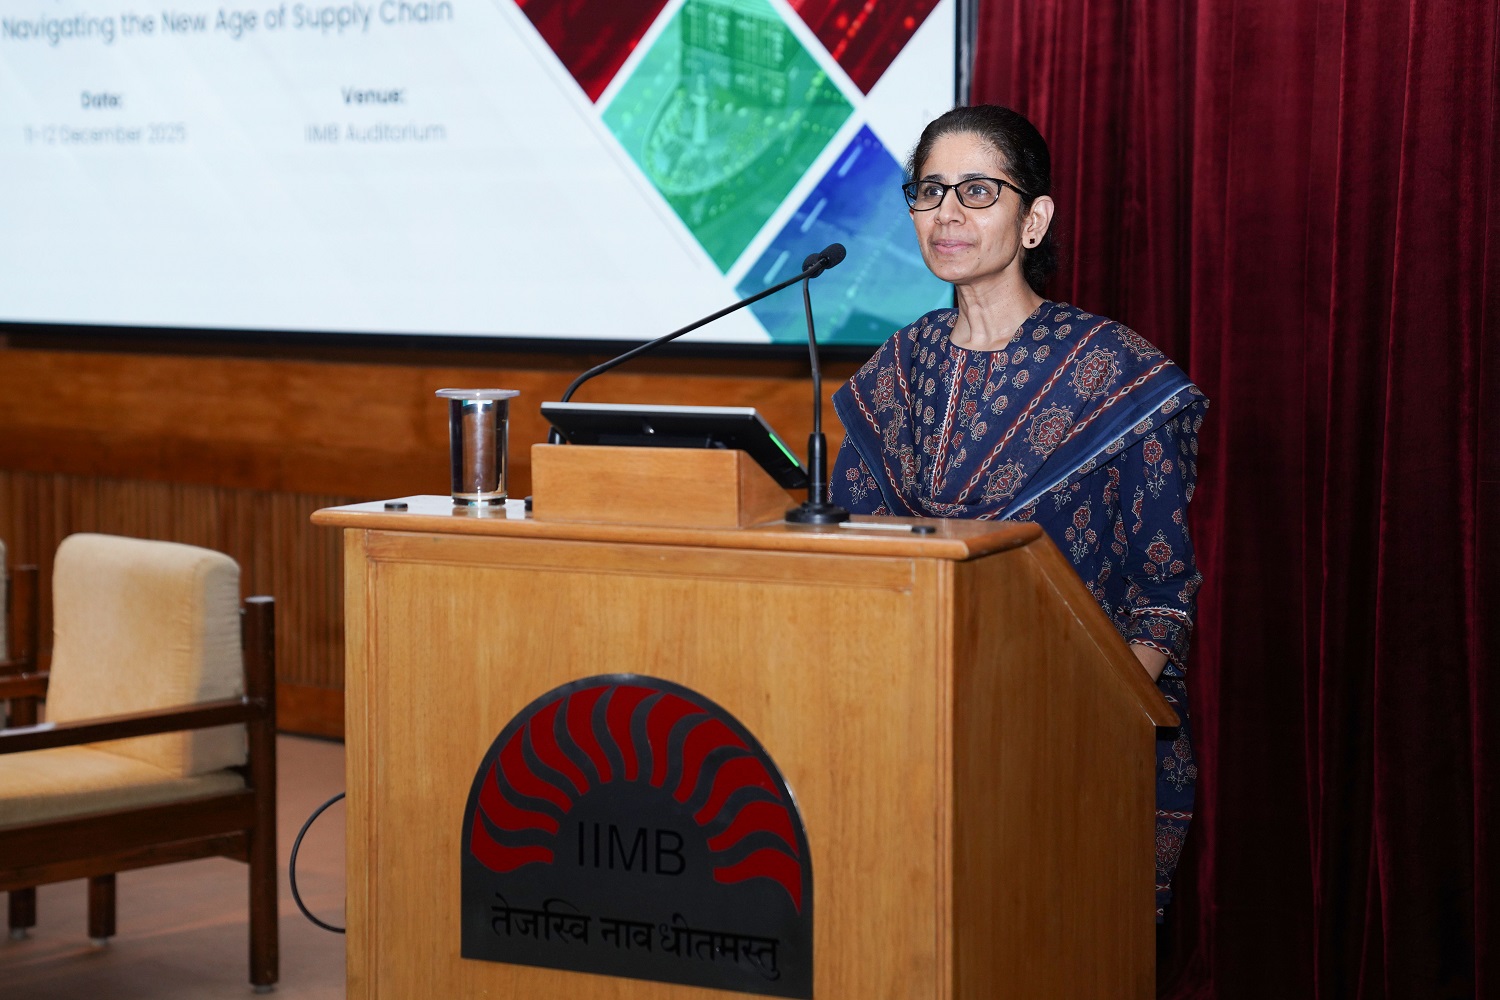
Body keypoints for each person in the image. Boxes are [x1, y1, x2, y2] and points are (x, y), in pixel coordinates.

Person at [830, 105, 1207, 920]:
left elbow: (1162, 598)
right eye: (929, 192)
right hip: (907, 738)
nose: (947, 214)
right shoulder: (893, 370)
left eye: (976, 190)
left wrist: (1074, 725)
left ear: (1033, 219)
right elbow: (851, 561)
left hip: (1069, 750)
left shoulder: (1116, 376)